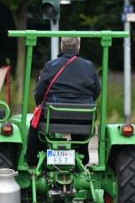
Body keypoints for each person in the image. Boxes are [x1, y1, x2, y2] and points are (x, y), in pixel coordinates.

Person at [26, 36, 100, 166]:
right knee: (81, 121)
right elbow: (97, 90)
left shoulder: (51, 65)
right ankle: (82, 154)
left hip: (53, 117)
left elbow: (39, 93)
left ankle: (33, 159)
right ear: (78, 47)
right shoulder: (88, 66)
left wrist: (40, 105)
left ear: (61, 47)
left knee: (34, 125)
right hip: (83, 117)